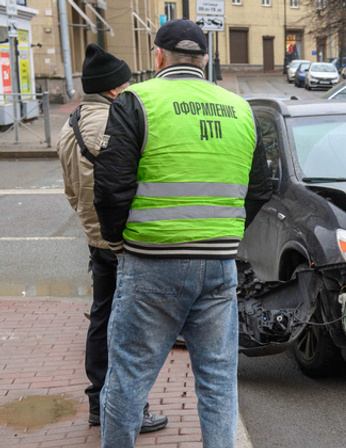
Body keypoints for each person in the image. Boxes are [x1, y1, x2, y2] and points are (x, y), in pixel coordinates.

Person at [94, 19, 271, 447]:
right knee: (218, 380)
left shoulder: (137, 101)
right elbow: (260, 188)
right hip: (218, 266)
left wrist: (117, 243)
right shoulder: (241, 109)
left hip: (151, 263)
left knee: (128, 377)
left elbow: (111, 187)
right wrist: (225, 232)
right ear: (205, 59)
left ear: (158, 56)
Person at [55, 43, 169, 434]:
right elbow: (129, 180)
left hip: (95, 238)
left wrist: (91, 224)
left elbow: (71, 192)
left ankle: (97, 404)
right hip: (124, 239)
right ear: (114, 88)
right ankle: (129, 410)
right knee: (130, 329)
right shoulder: (115, 121)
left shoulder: (70, 126)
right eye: (125, 83)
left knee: (102, 318)